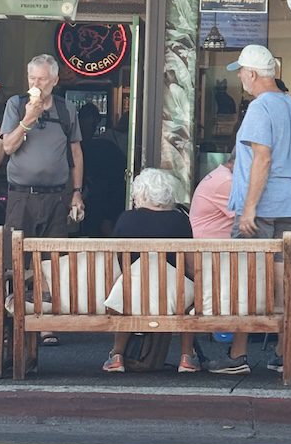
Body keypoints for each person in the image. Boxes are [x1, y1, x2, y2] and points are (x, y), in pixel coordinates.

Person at [205, 45, 291, 376]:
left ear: (252, 74)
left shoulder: (259, 107)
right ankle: (284, 353)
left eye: (241, 72)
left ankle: (238, 355)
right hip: (288, 203)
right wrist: (285, 176)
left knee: (247, 279)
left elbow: (262, 158)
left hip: (261, 208)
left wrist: (249, 208)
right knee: (282, 279)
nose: (239, 77)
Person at [0, 54, 83, 347]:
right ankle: (13, 320)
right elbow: (8, 146)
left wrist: (76, 191)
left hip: (56, 196)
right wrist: (27, 120)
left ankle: (46, 322)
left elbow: (75, 153)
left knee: (51, 261)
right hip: (21, 195)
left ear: (55, 80)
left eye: (43, 79)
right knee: (14, 260)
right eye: (32, 78)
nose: (36, 84)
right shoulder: (15, 105)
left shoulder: (66, 109)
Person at [102, 168, 196, 373]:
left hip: (133, 295)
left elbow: (115, 262)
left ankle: (117, 355)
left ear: (142, 193)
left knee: (125, 293)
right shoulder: (180, 220)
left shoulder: (127, 219)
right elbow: (190, 266)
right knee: (189, 299)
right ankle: (187, 357)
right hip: (173, 297)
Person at [77, 102, 127, 236]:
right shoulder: (74, 146)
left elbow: (116, 175)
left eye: (94, 124)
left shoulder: (104, 146)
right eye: (89, 124)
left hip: (101, 198)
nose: (91, 128)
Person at [189, 152, 236, 238]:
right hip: (208, 243)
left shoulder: (221, 174)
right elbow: (245, 215)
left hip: (209, 239)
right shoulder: (226, 181)